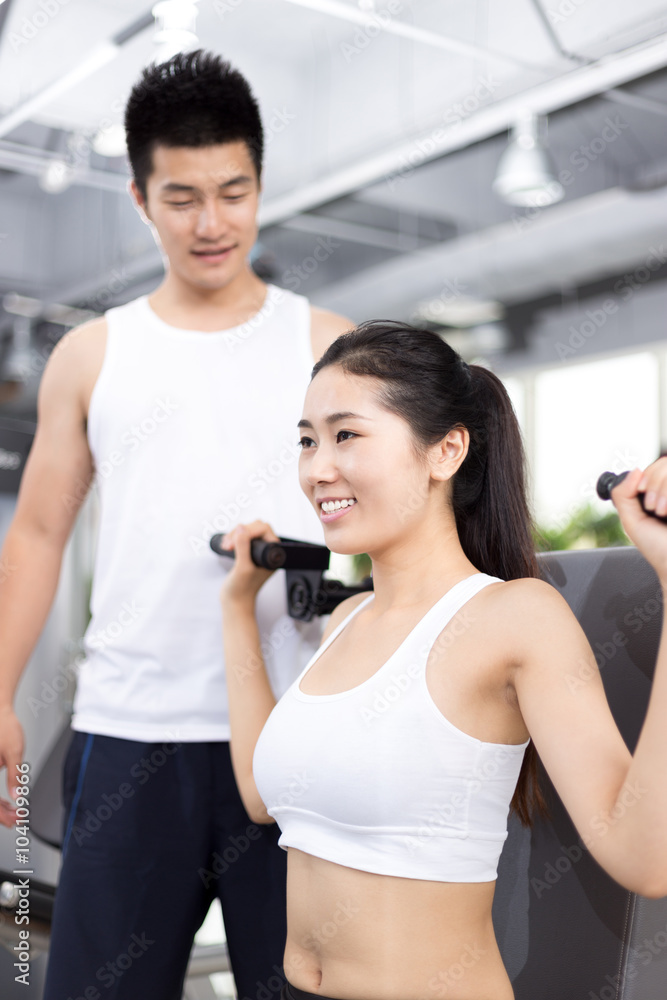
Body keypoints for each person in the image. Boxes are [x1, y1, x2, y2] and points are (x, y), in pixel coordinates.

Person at [0, 50, 351, 1000]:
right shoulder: (92, 354)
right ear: (139, 197)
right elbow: (36, 533)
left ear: (260, 186)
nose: (211, 223)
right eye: (182, 196)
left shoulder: (328, 345)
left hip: (293, 735)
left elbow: (393, 519)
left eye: (233, 192)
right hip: (130, 735)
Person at [218, 319, 667, 1000]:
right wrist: (234, 611)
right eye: (306, 440)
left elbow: (645, 858)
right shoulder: (347, 619)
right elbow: (260, 796)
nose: (316, 468)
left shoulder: (514, 617)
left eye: (345, 435)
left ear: (445, 450)